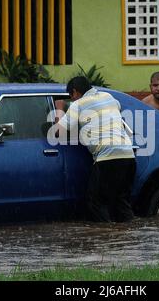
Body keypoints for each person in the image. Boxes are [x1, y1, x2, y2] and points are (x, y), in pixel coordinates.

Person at [56, 76, 136, 222]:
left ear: (75, 92)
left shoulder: (78, 104)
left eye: (71, 96)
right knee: (121, 202)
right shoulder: (108, 96)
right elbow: (116, 109)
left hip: (107, 158)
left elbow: (58, 132)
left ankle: (104, 237)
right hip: (128, 155)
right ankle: (128, 238)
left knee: (96, 202)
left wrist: (60, 109)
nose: (72, 100)